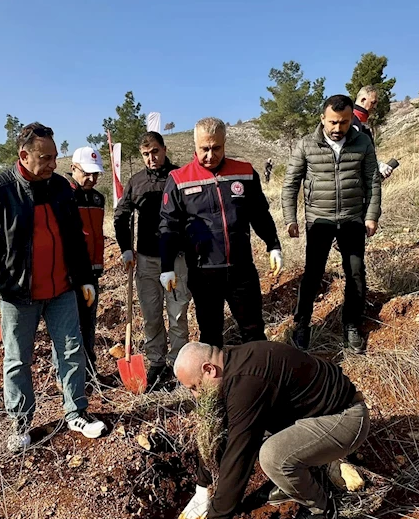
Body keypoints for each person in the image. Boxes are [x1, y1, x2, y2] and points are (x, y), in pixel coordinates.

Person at [0, 122, 106, 451]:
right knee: (17, 360)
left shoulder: (60, 188)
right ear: (24, 155)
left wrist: (85, 278)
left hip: (62, 290)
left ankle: (77, 412)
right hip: (18, 295)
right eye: (45, 158)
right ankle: (20, 423)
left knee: (72, 352)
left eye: (55, 157)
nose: (52, 165)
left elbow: (74, 238)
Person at [174, 341, 369, 519]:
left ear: (209, 370)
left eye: (195, 387)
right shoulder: (228, 363)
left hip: (346, 418)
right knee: (253, 430)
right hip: (312, 415)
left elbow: (239, 454)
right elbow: (217, 433)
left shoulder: (246, 382)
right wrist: (202, 488)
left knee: (273, 456)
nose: (196, 396)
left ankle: (320, 509)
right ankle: (298, 479)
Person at [159, 117, 282, 348]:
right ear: (194, 145)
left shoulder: (244, 173)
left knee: (253, 330)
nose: (210, 155)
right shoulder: (179, 179)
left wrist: (273, 244)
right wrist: (167, 267)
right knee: (211, 335)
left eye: (216, 148)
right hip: (203, 273)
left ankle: (259, 380)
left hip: (241, 268)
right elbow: (169, 226)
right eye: (204, 149)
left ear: (225, 143)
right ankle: (214, 383)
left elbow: (260, 214)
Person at [282, 95, 382, 353]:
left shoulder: (363, 143)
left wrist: (371, 215)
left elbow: (372, 180)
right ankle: (302, 324)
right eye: (333, 122)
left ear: (351, 120)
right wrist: (290, 218)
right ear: (322, 119)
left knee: (356, 274)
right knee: (313, 274)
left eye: (344, 123)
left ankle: (351, 325)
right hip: (320, 220)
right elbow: (291, 183)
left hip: (352, 218)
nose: (338, 129)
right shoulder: (306, 145)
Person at [113, 131, 190, 390]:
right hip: (145, 260)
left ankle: (179, 362)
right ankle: (156, 361)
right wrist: (125, 248)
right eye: (146, 154)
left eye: (155, 151)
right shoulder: (136, 182)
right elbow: (121, 215)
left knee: (177, 314)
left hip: (176, 259)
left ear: (164, 149)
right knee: (151, 315)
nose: (151, 158)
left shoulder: (179, 177)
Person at [56, 146, 106, 384]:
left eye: (95, 174)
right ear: (73, 168)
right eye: (86, 173)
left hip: (92, 272)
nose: (92, 178)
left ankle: (88, 370)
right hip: (68, 273)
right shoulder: (62, 195)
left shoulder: (98, 198)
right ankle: (65, 374)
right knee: (67, 327)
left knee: (88, 323)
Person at [352, 85, 394, 180]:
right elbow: (352, 154)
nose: (375, 107)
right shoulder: (352, 122)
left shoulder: (362, 123)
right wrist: (376, 165)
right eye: (373, 102)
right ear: (363, 100)